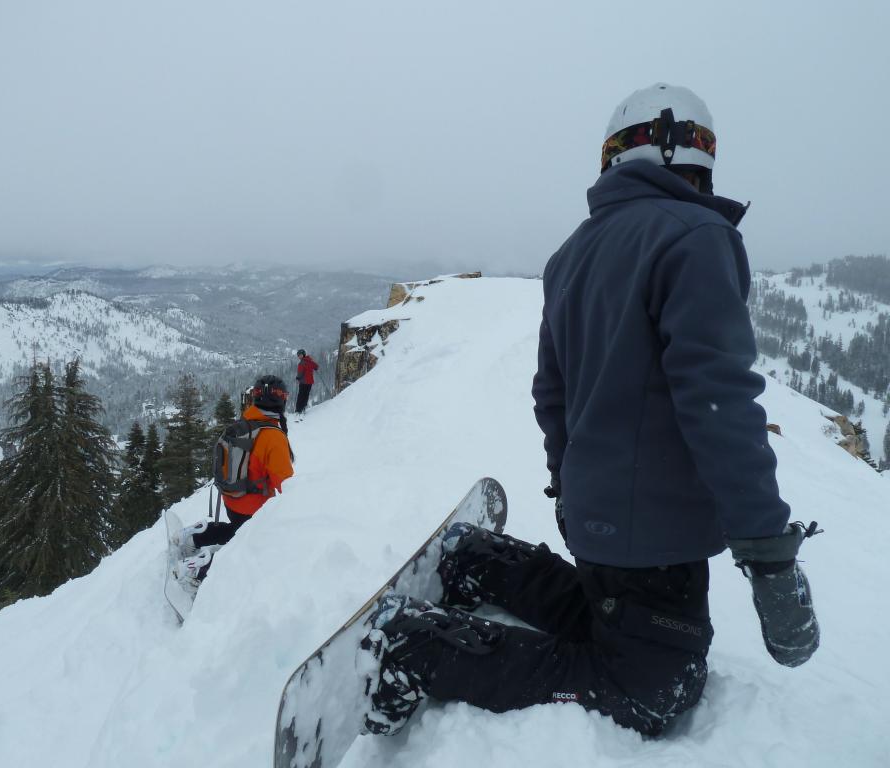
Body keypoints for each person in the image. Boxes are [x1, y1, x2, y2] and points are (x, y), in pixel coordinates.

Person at [359, 83, 820, 737]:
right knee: (654, 687)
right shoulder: (697, 237)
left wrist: (569, 484)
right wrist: (771, 558)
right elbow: (718, 401)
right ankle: (414, 650)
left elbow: (553, 396)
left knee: (614, 610)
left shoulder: (571, 253)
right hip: (657, 530)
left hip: (600, 515)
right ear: (689, 153)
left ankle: (479, 562)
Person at [175, 375, 294, 588]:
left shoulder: (246, 421)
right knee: (248, 547)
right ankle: (200, 569)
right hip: (254, 508)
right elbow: (286, 485)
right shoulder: (273, 436)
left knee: (236, 532)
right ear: (281, 400)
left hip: (231, 499)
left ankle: (197, 537)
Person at [294, 349, 319, 415]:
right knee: (306, 395)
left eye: (300, 355)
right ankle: (303, 407)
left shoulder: (301, 363)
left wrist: (298, 377)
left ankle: (298, 409)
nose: (299, 356)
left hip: (303, 382)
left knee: (301, 395)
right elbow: (316, 366)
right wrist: (315, 368)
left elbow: (300, 373)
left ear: (303, 354)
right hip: (310, 382)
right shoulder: (310, 360)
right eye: (298, 355)